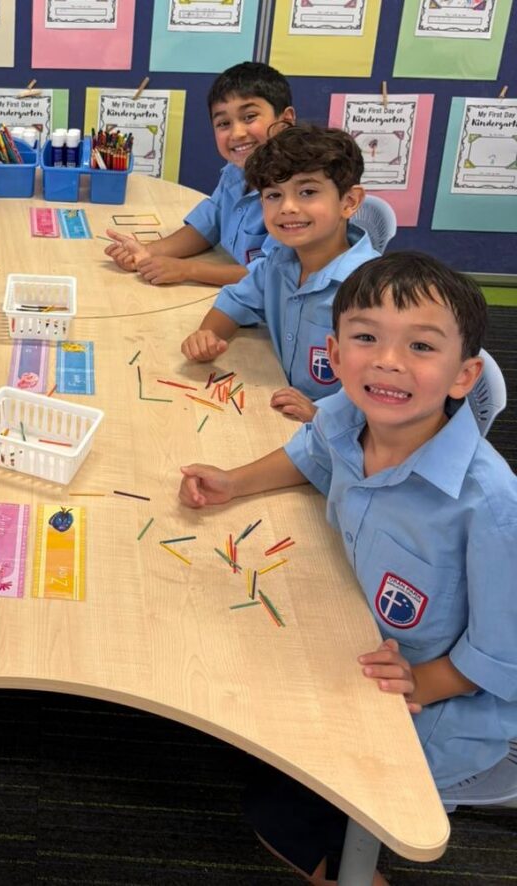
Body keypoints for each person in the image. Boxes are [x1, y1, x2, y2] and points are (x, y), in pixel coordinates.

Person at [179, 252, 517, 885]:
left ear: (463, 376)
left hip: (434, 709)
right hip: (351, 635)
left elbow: (505, 653)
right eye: (366, 338)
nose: (387, 361)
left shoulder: (490, 507)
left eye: (421, 346)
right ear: (335, 356)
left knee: (277, 810)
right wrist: (234, 481)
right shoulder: (343, 413)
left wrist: (425, 681)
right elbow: (312, 454)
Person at [180, 123, 380, 422]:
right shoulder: (278, 261)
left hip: (340, 432)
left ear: (349, 202)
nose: (287, 207)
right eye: (273, 195)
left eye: (307, 192)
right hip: (282, 413)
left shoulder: (374, 293)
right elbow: (237, 301)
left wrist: (322, 415)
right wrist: (208, 335)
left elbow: (388, 387)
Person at [103, 61, 295, 287]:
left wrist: (188, 270)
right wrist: (147, 252)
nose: (237, 133)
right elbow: (207, 226)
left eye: (249, 117)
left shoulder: (295, 193)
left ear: (285, 120)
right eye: (223, 123)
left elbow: (270, 276)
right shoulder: (234, 172)